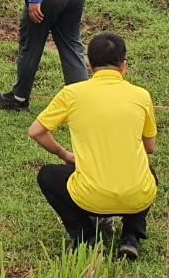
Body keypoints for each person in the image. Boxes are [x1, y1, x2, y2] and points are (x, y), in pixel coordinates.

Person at [28, 32, 157, 260]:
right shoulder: (142, 96)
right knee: (149, 174)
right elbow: (150, 148)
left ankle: (85, 236)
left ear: (89, 63)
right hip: (136, 196)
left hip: (89, 197)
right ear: (124, 65)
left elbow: (36, 131)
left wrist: (64, 154)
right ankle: (131, 237)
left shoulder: (71, 94)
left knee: (48, 175)